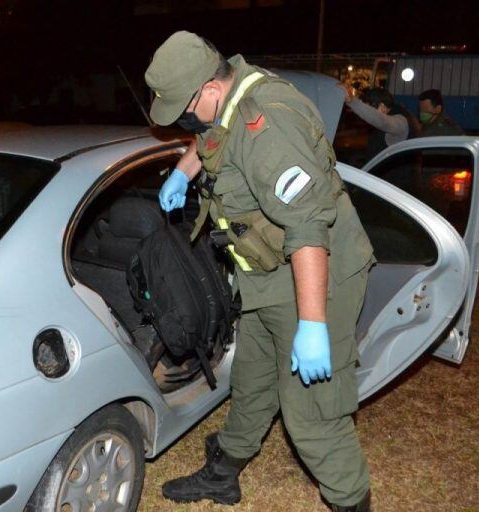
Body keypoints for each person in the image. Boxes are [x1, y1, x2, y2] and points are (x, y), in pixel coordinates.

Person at [146, 31, 375, 512]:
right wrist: (184, 171)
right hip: (267, 275)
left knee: (313, 416)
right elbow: (211, 136)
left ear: (209, 88)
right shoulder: (231, 93)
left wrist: (312, 326)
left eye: (184, 110)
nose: (183, 123)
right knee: (251, 382)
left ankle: (351, 501)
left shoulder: (267, 130)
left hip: (316, 275)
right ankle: (224, 474)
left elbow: (309, 228)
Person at [341, 85, 410, 159]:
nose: (368, 113)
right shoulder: (377, 129)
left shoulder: (401, 122)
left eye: (370, 109)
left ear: (382, 107)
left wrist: (352, 102)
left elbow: (383, 121)